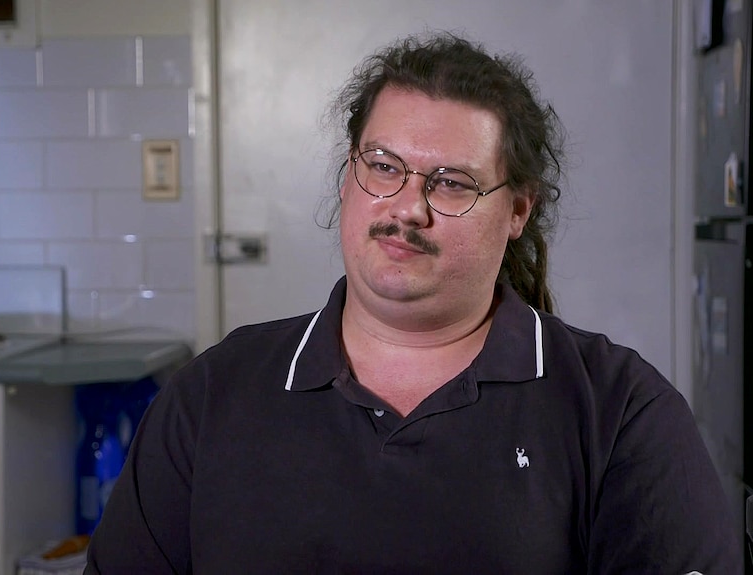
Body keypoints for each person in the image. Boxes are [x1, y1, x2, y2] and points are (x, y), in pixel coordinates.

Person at [84, 32, 741, 573]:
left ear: (517, 209)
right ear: (349, 175)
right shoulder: (215, 391)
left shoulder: (620, 410)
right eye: (384, 165)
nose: (407, 207)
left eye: (452, 183)